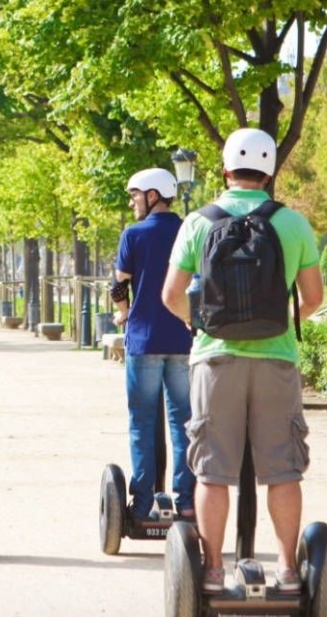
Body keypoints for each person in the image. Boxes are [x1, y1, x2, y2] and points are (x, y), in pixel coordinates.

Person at [162, 128, 323, 594]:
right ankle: (289, 572)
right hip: (277, 359)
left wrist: (206, 323)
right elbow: (311, 298)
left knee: (212, 471)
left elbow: (171, 295)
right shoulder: (292, 223)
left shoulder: (198, 221)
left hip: (214, 361)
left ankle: (212, 572)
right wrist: (277, 322)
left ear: (225, 169)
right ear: (270, 171)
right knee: (283, 469)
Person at [111, 168, 195, 523]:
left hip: (144, 342)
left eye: (135, 195)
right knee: (184, 424)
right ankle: (188, 501)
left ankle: (143, 503)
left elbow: (118, 287)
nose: (132, 202)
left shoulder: (133, 234)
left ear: (153, 194)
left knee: (142, 423)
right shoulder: (189, 230)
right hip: (182, 340)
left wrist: (123, 314)